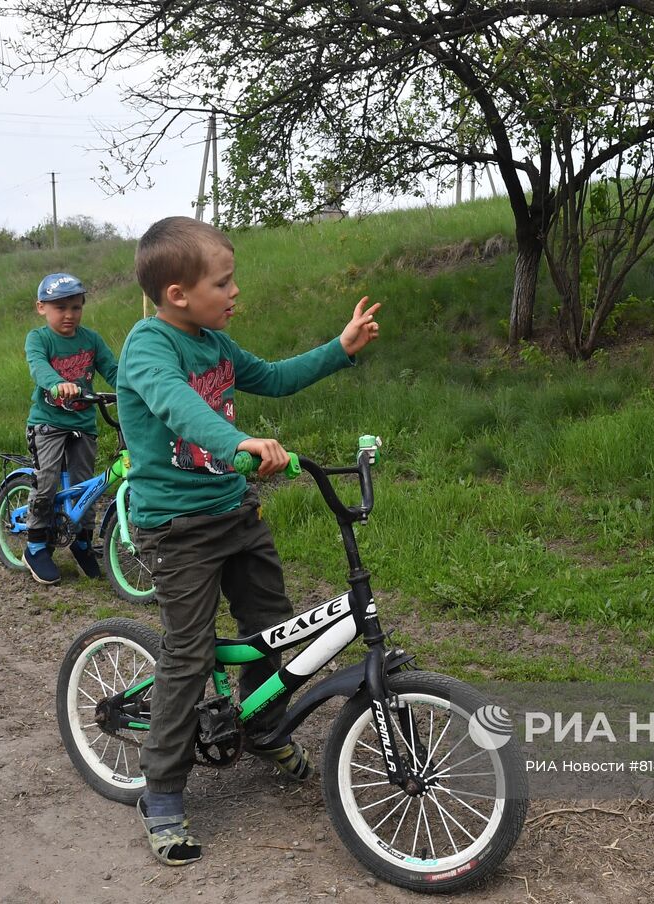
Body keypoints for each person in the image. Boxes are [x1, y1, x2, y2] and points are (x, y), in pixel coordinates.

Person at [119, 216, 381, 865]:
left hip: (235, 513)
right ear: (179, 293)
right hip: (177, 531)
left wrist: (340, 348)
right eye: (224, 281)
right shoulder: (149, 348)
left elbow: (276, 376)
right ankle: (162, 790)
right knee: (187, 651)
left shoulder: (216, 344)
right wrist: (237, 442)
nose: (235, 292)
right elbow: (178, 406)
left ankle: (262, 727)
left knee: (272, 627)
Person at [23, 272, 119, 585]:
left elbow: (113, 370)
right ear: (42, 307)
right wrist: (57, 384)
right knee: (47, 480)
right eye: (60, 308)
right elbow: (39, 367)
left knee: (87, 486)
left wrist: (136, 390)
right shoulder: (39, 339)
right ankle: (36, 545)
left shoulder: (91, 339)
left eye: (75, 307)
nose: (69, 314)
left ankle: (81, 543)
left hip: (83, 423)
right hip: (49, 424)